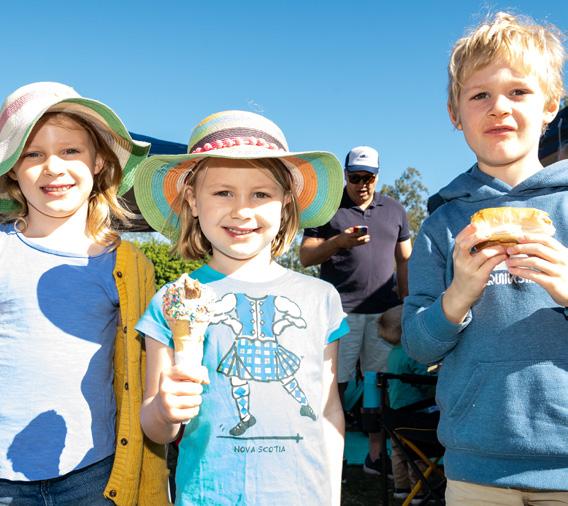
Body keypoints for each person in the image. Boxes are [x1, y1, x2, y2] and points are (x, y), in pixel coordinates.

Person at [134, 110, 348, 505]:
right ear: (192, 200)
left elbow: (330, 409)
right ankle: (244, 416)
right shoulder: (173, 300)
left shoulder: (322, 298)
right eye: (223, 193)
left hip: (303, 495)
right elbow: (155, 427)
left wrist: (332, 496)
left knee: (285, 378)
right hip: (208, 496)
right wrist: (164, 410)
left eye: (260, 194)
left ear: (285, 203)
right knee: (240, 381)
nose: (242, 210)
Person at [402, 12, 568, 504]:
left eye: (518, 91)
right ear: (455, 114)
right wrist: (456, 298)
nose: (499, 108)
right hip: (475, 468)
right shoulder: (441, 223)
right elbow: (417, 345)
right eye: (479, 96)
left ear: (550, 106)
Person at [0, 82, 169, 505]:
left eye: (70, 150)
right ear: (13, 170)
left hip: (94, 471)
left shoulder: (128, 265)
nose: (53, 167)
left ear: (98, 162)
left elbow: (140, 366)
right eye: (33, 154)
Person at [299, 145, 412, 474]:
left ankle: (375, 456)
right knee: (335, 385)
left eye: (369, 177)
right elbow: (305, 257)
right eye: (355, 177)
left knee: (378, 385)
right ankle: (326, 455)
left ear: (377, 176)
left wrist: (406, 302)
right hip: (340, 314)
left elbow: (405, 258)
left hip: (384, 314)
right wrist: (339, 242)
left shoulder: (395, 209)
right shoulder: (328, 209)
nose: (362, 184)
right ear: (345, 175)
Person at [379, 305, 437, 502]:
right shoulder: (412, 354)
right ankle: (418, 490)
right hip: (415, 413)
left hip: (396, 413)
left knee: (398, 451)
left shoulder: (393, 353)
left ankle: (400, 487)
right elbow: (425, 381)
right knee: (418, 452)